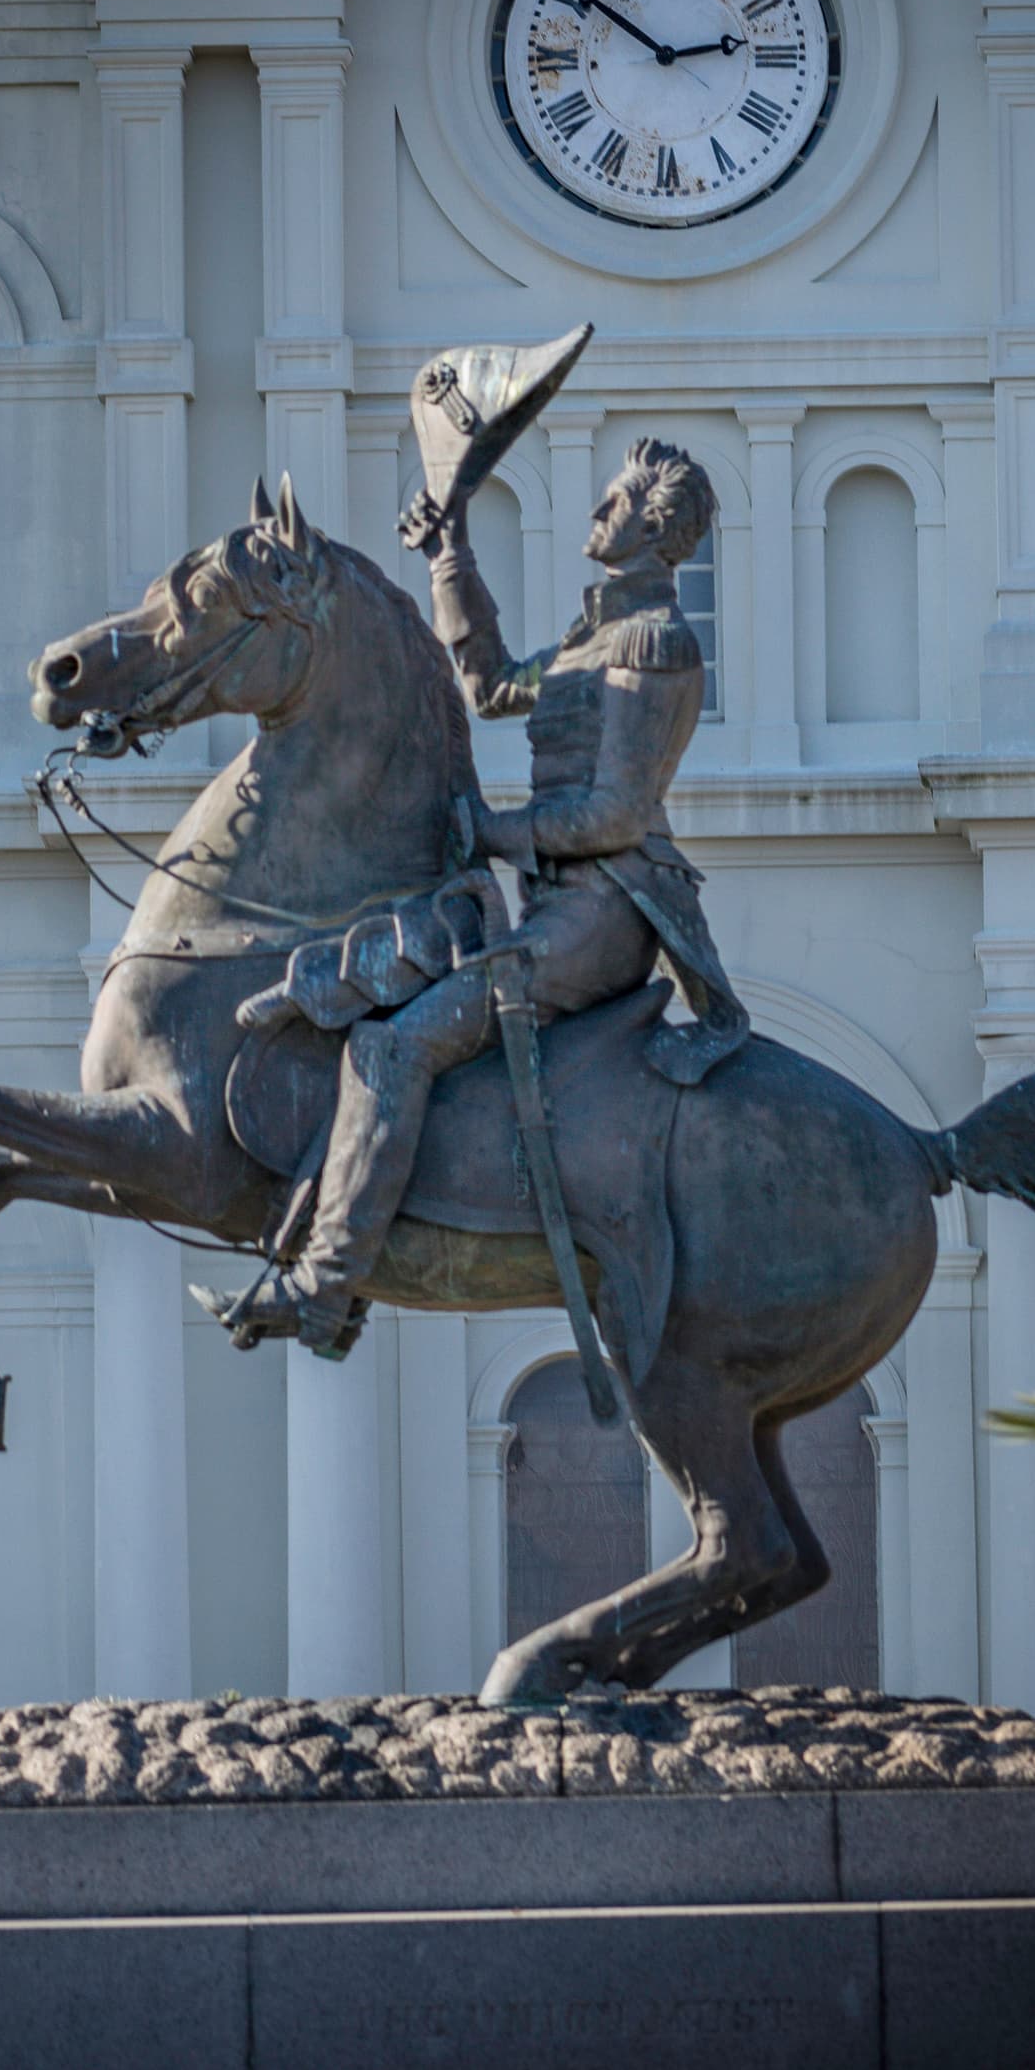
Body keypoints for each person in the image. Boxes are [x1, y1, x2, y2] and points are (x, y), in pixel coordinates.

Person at [223, 359, 745, 1352]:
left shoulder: (654, 646)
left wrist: (492, 828)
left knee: (396, 1043)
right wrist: (450, 554)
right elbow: (495, 684)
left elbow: (615, 814)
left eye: (620, 498)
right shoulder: (594, 638)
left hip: (603, 916)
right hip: (550, 899)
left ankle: (328, 1290)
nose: (600, 504)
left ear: (653, 527)